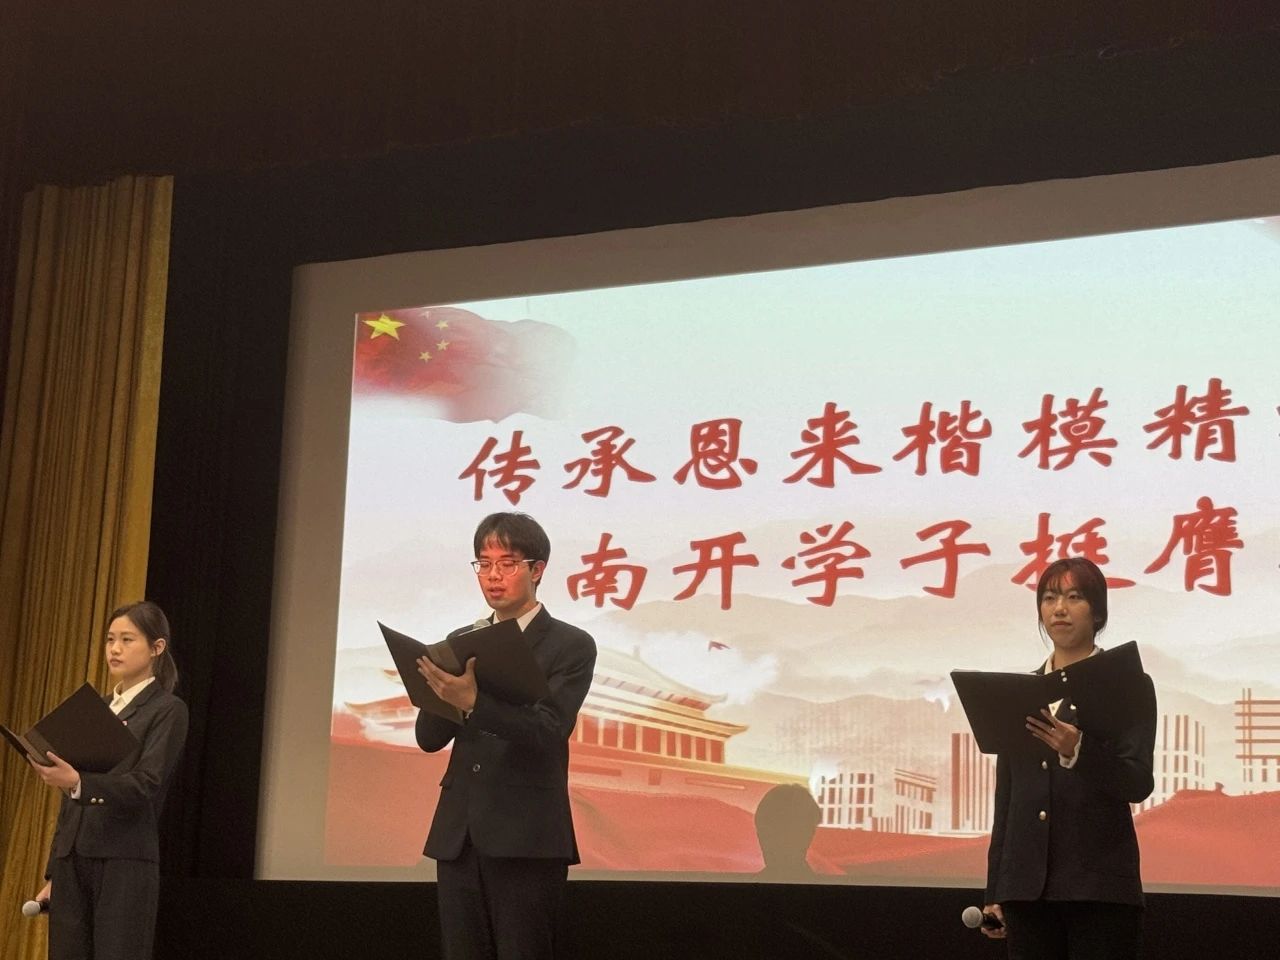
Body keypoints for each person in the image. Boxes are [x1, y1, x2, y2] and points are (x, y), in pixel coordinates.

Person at [415, 512, 597, 960]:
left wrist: (475, 702)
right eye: (484, 563)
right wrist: (442, 693)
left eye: (508, 563)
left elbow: (549, 729)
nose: (493, 575)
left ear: (537, 570)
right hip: (460, 836)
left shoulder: (570, 645)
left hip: (526, 836)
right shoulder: (462, 640)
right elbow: (428, 738)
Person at [983, 557, 1156, 960]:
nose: (1059, 608)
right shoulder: (1020, 692)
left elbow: (1137, 782)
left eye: (1074, 597)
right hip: (1027, 893)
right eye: (1049, 598)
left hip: (1099, 890)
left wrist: (1078, 750)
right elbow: (1007, 800)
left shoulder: (1126, 684)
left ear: (1097, 612)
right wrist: (997, 890)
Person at [28, 600, 189, 960]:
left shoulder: (167, 709)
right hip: (73, 859)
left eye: (127, 640)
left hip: (123, 859)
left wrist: (80, 782)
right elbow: (69, 797)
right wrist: (54, 871)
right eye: (110, 639)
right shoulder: (98, 707)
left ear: (156, 647)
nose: (115, 649)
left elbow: (147, 783)